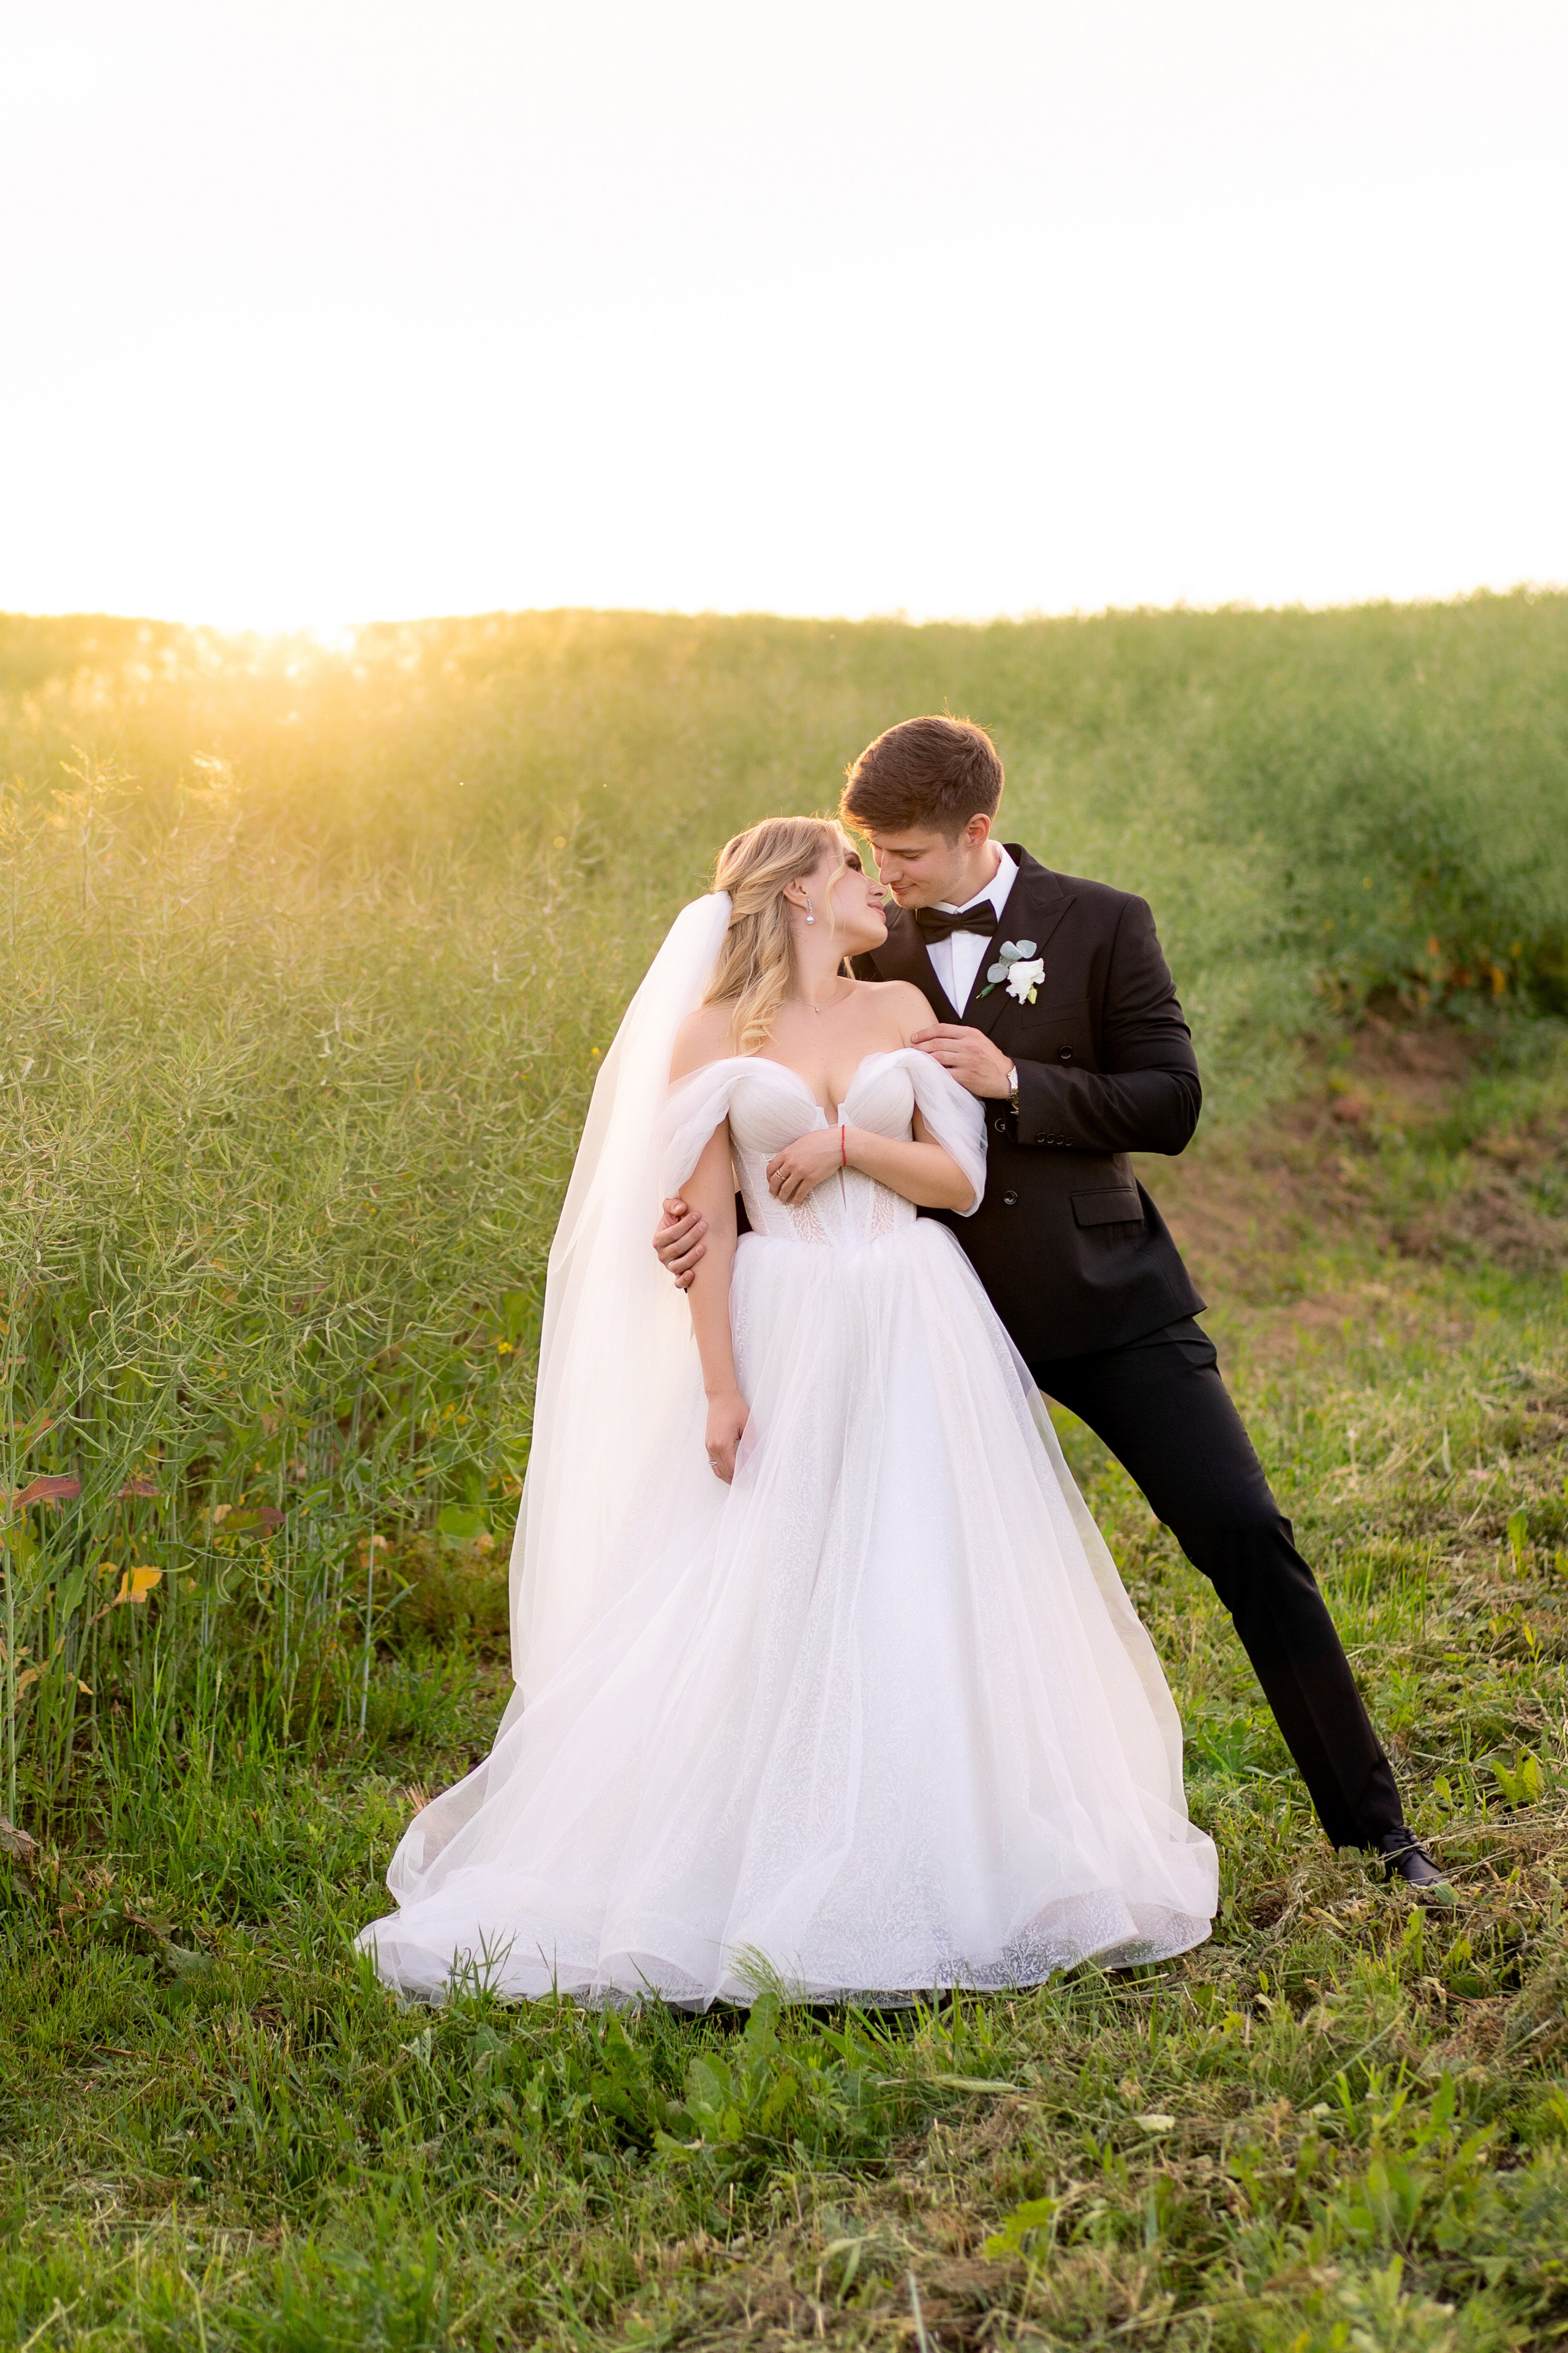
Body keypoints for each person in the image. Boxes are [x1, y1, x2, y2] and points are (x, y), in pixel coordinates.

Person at [358, 815, 1218, 2006]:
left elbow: (957, 1179)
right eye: (849, 868)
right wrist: (720, 1384)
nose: (872, 884)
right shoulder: (710, 1035)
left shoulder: (899, 1015)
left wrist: (846, 1142)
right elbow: (699, 1222)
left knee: (919, 1566)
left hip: (913, 1313)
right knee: (769, 1572)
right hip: (782, 1322)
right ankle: (736, 1844)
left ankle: (942, 1845)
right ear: (799, 896)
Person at [656, 719, 1449, 1901]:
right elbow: (768, 1076)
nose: (886, 876)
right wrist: (694, 1214)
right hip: (913, 1319)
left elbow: (1171, 1100)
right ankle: (894, 1859)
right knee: (873, 1578)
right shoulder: (863, 947)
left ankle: (1378, 1830)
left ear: (977, 830)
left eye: (907, 851)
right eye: (868, 854)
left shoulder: (1105, 922)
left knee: (1244, 1533)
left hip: (1102, 1295)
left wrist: (1017, 1080)